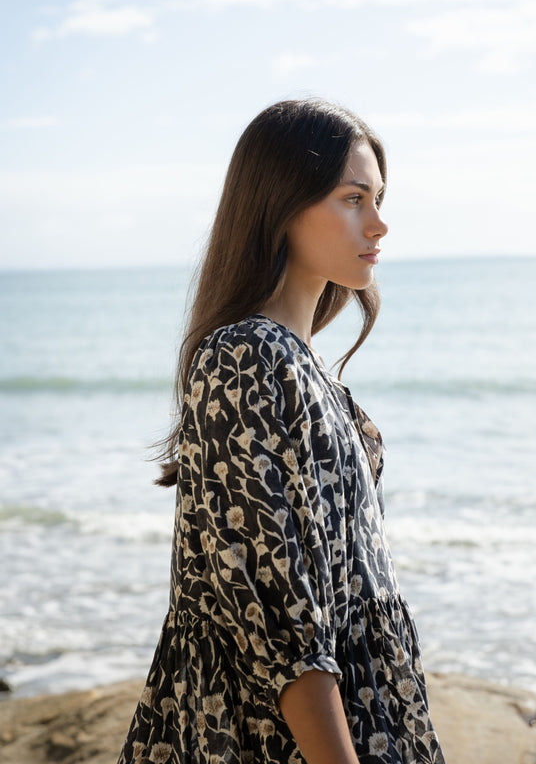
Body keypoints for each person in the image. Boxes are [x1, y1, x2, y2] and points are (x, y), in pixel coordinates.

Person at [118, 98, 445, 764]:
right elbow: (277, 619)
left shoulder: (305, 367)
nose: (379, 224)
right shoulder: (246, 356)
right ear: (281, 204)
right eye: (353, 198)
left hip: (362, 717)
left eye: (378, 199)